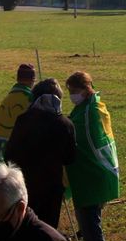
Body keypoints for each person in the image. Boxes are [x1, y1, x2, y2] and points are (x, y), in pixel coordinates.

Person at [4, 78, 75, 229]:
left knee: (24, 229)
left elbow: (8, 154)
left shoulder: (23, 120)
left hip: (25, 186)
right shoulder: (66, 124)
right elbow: (70, 158)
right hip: (52, 188)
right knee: (47, 230)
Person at [65, 71, 119, 241]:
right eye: (69, 91)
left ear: (85, 89)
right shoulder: (89, 106)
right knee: (89, 226)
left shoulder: (90, 111)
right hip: (92, 176)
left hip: (92, 176)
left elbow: (79, 137)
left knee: (91, 230)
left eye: (74, 91)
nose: (71, 95)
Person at [0, 64, 35, 183]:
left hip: (1, 148)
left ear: (17, 78)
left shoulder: (8, 98)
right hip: (21, 151)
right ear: (33, 79)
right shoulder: (30, 99)